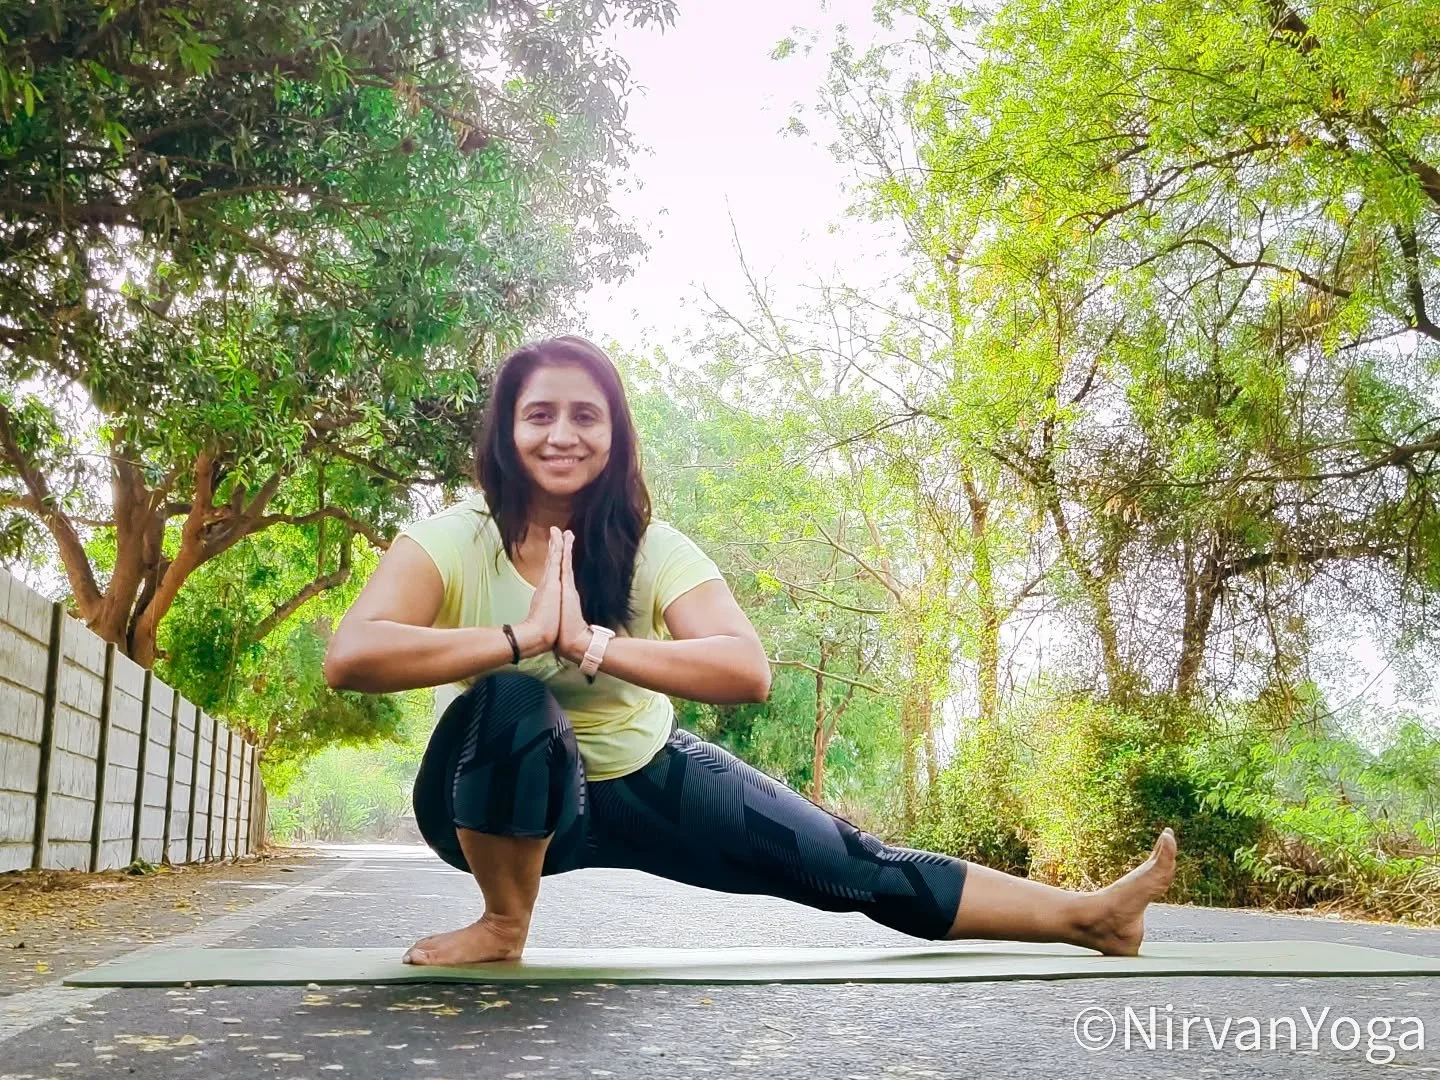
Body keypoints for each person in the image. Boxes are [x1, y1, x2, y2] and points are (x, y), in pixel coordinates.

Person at [324, 335, 1177, 967]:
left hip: (641, 778)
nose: (562, 434)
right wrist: (523, 638)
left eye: (586, 415)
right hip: (487, 801)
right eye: (538, 414)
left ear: (615, 434)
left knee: (858, 867)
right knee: (513, 697)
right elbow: (352, 655)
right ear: (507, 433)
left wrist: (594, 644)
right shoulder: (452, 538)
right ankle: (505, 922)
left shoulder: (652, 545)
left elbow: (744, 668)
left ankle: (1091, 918)